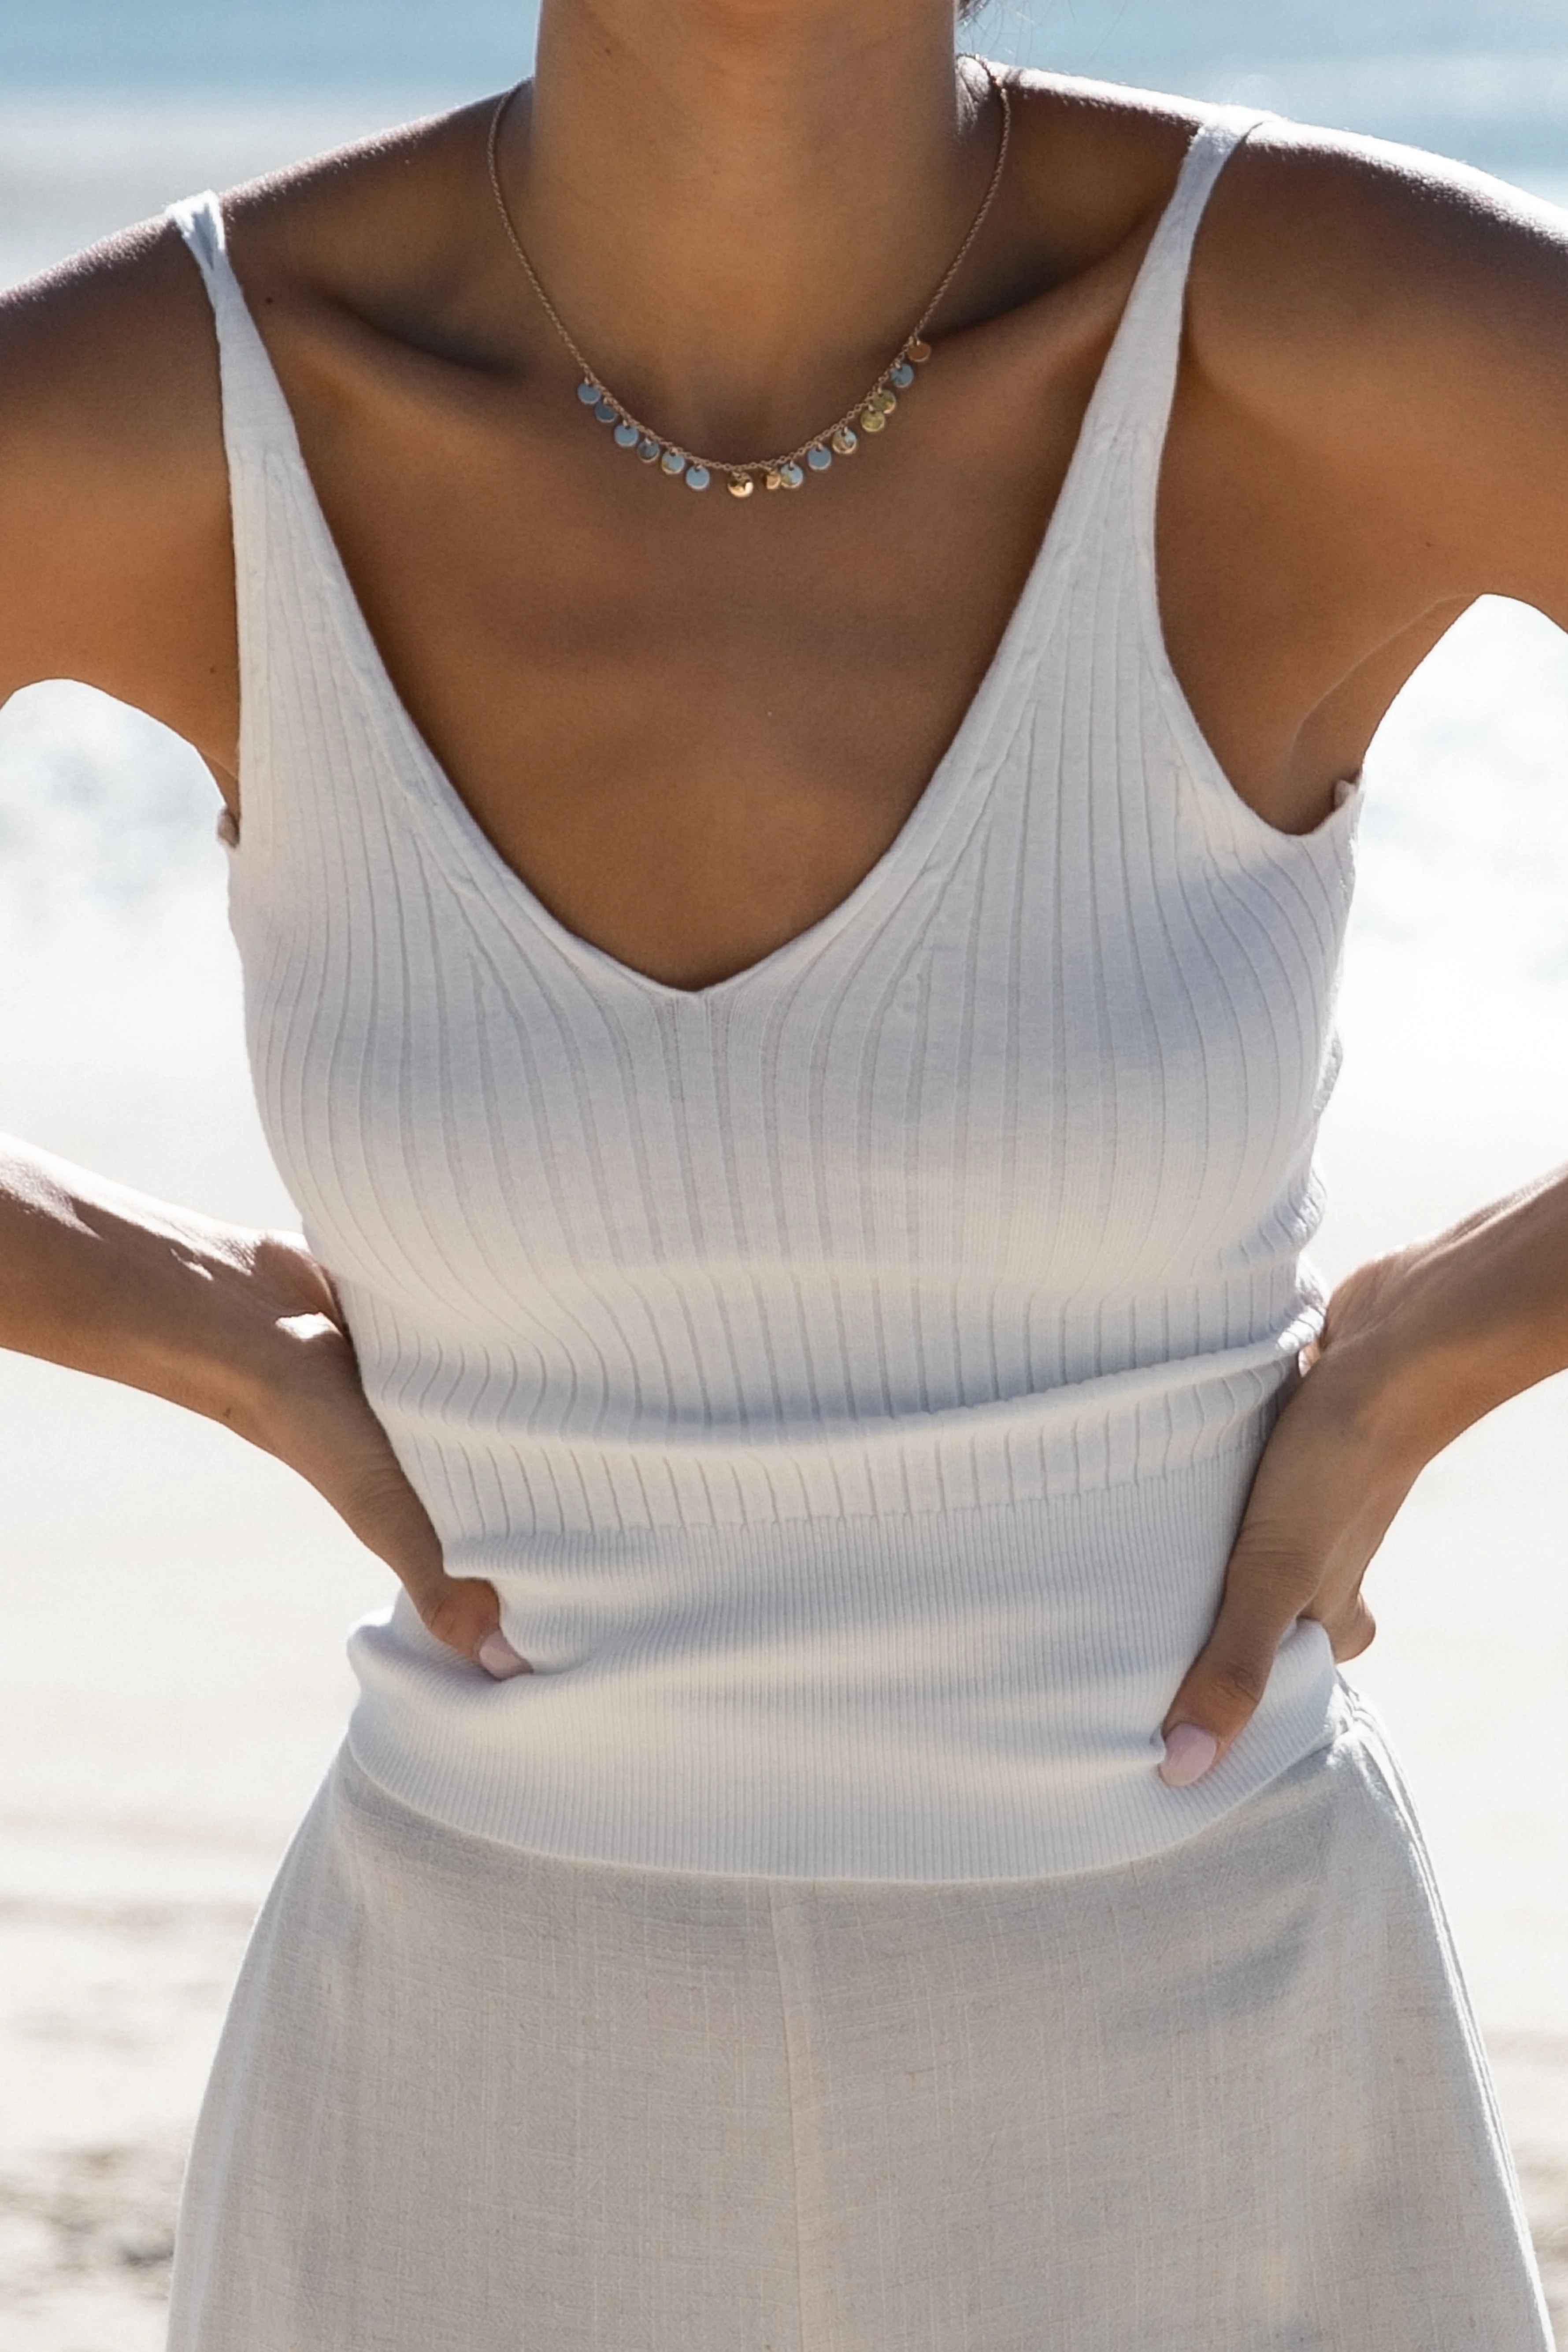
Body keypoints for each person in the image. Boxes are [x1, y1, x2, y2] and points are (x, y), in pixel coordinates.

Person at [0, 0, 1563, 2342]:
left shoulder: (1328, 332)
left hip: (1212, 2108)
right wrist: (168, 1312)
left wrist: (1446, 1343)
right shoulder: (200, 401)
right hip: (463, 2127)